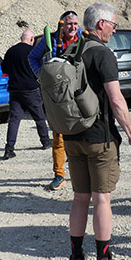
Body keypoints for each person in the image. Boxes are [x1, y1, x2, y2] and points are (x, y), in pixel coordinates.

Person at [63, 2, 131, 260]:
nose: (114, 30)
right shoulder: (103, 54)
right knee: (101, 199)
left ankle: (76, 259)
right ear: (101, 24)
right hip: (99, 137)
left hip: (72, 135)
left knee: (79, 198)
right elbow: (116, 99)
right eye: (112, 24)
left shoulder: (71, 51)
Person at [29, 10, 83, 190]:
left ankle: (82, 172)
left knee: (81, 133)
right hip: (56, 95)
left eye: (75, 24)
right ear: (62, 25)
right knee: (58, 136)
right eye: (69, 24)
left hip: (77, 92)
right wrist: (42, 76)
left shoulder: (83, 39)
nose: (72, 27)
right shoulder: (50, 39)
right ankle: (59, 174)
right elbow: (32, 57)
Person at [1, 30, 52, 160]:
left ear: (21, 38)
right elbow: (40, 69)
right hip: (31, 89)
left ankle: (9, 149)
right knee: (39, 117)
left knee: (14, 120)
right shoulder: (33, 52)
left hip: (14, 90)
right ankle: (45, 141)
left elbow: (4, 69)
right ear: (32, 39)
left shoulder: (10, 51)